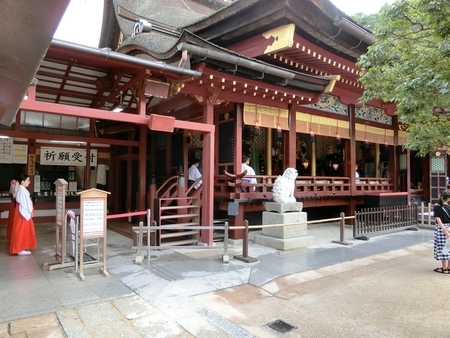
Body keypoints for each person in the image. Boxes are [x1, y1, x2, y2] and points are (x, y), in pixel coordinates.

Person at [10, 174, 37, 256]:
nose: (29, 182)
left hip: (21, 212)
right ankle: (19, 248)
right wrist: (30, 211)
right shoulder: (22, 190)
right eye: (28, 180)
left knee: (22, 230)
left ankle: (21, 247)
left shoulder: (22, 189)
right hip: (23, 213)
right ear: (22, 181)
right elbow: (26, 204)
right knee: (21, 230)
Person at [433, 189, 450, 273]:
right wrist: (448, 230)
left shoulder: (437, 207)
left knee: (443, 248)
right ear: (449, 199)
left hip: (441, 229)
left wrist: (444, 230)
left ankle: (444, 268)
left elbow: (438, 219)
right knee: (449, 248)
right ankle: (449, 268)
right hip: (449, 228)